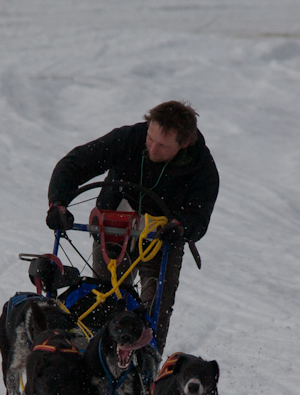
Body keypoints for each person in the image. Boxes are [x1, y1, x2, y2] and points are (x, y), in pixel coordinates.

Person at [46, 100, 219, 353]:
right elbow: (74, 164)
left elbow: (199, 217)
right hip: (114, 228)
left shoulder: (202, 168)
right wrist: (58, 203)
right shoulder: (129, 139)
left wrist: (181, 226)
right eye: (150, 138)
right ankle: (98, 360)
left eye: (162, 145)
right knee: (105, 300)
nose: (151, 147)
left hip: (162, 239)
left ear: (183, 144)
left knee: (155, 310)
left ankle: (146, 364)